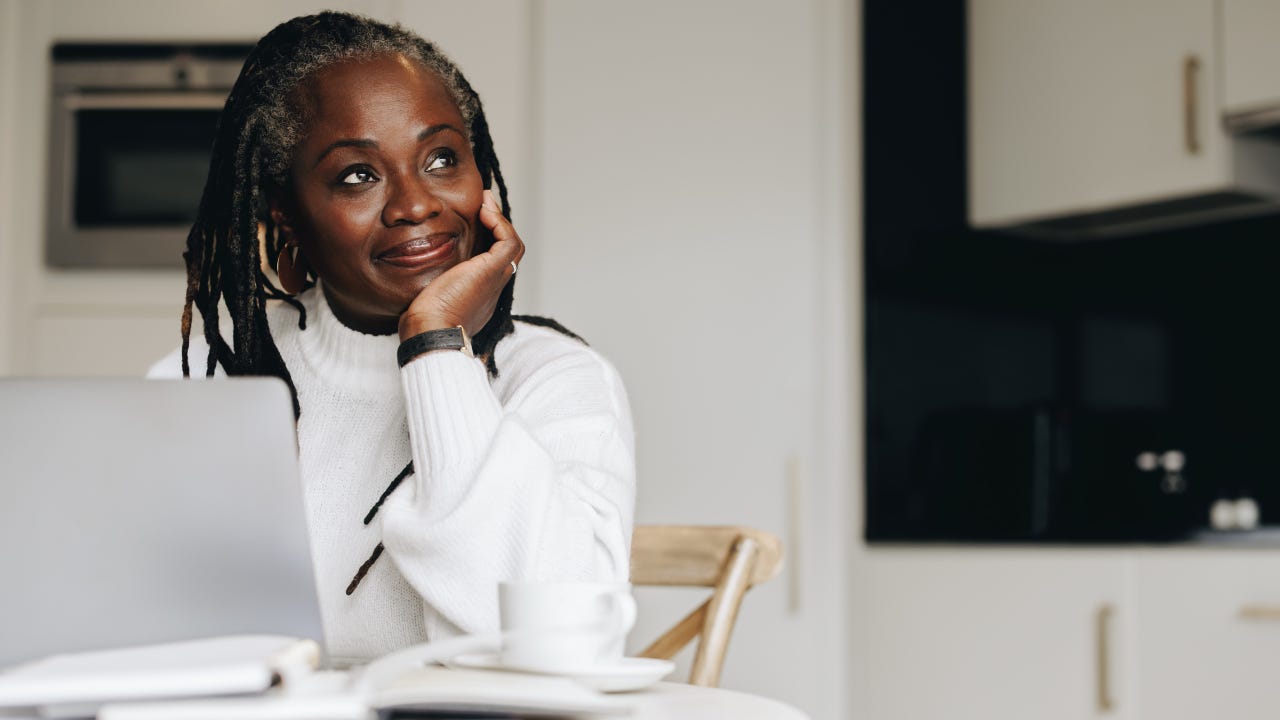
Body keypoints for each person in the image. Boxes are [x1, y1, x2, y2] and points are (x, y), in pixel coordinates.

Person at [148, 11, 636, 665]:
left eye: (441, 159)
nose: (415, 204)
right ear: (286, 215)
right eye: (358, 175)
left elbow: (562, 647)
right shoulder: (208, 377)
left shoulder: (553, 379)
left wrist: (435, 348)